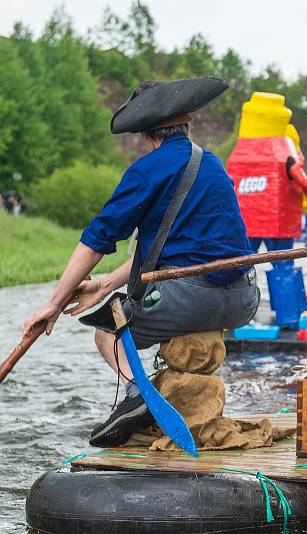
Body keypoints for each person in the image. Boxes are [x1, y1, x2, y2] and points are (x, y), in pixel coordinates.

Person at [22, 77, 259, 447]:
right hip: (243, 298)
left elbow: (96, 241)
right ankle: (166, 401)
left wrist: (53, 305)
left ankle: (137, 395)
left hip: (190, 299)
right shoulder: (211, 164)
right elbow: (169, 251)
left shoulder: (147, 169)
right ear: (187, 124)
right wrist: (102, 285)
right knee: (121, 303)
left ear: (147, 136)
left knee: (107, 332)